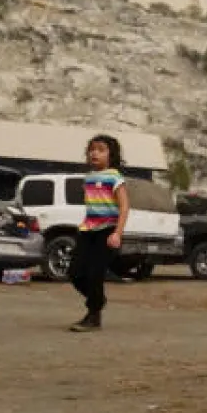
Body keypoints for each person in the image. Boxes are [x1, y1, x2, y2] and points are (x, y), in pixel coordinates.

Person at [69, 134, 129, 333]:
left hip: (107, 230)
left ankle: (93, 316)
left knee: (95, 273)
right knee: (75, 273)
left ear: (111, 155)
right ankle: (98, 299)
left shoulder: (114, 176)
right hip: (87, 230)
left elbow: (124, 206)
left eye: (101, 149)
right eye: (92, 149)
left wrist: (118, 233)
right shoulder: (88, 178)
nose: (95, 153)